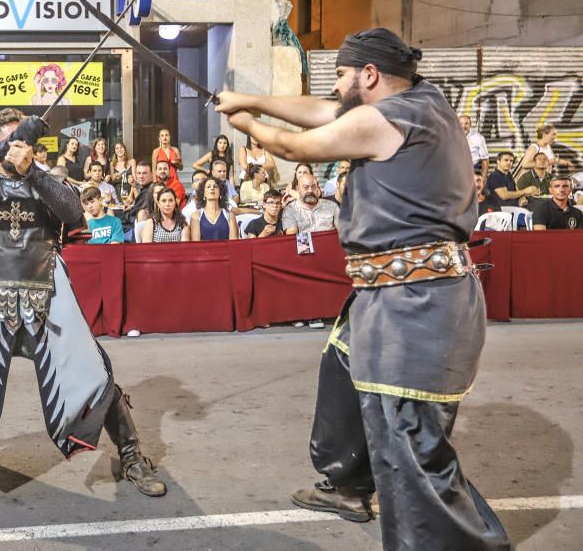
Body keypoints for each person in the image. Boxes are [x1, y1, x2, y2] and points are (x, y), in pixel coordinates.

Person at [217, 27, 510, 550]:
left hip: (418, 306)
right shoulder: (418, 100)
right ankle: (350, 486)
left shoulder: (392, 119)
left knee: (411, 443)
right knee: (343, 372)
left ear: (369, 75)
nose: (338, 86)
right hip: (391, 300)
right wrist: (250, 99)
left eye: (344, 75)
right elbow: (323, 111)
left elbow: (298, 143)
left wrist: (250, 126)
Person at [0, 108, 165, 499]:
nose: (19, 150)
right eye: (10, 143)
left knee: (90, 373)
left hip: (47, 293)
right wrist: (2, 151)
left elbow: (73, 210)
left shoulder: (44, 181)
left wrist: (33, 171)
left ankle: (131, 456)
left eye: (22, 142)